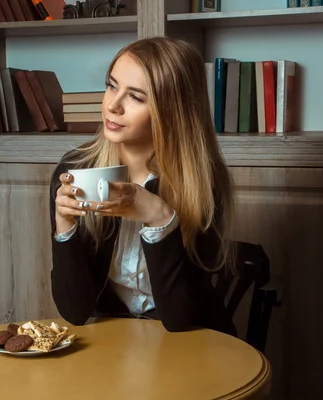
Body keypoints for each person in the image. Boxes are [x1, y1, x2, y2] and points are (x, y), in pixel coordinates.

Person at [48, 36, 236, 335]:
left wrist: (160, 218)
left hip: (190, 342)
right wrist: (64, 226)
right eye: (112, 86)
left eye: (135, 97)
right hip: (112, 340)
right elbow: (75, 312)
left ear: (172, 110)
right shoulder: (76, 170)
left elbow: (180, 319)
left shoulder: (202, 182)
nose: (113, 105)